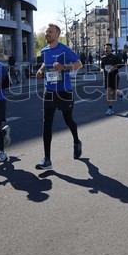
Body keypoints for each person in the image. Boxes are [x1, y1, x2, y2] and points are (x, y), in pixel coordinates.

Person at [35, 24, 83, 170]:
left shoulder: (64, 49)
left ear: (57, 34)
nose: (46, 34)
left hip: (64, 91)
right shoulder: (44, 51)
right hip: (49, 91)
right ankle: (47, 159)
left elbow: (79, 64)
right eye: (46, 32)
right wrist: (41, 70)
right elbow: (45, 63)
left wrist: (64, 67)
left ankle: (76, 141)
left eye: (50, 32)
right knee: (46, 124)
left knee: (68, 120)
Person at [100, 43, 125, 116]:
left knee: (114, 91)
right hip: (107, 78)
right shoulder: (103, 58)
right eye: (105, 48)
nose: (107, 49)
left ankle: (121, 95)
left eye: (108, 48)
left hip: (114, 77)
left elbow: (121, 64)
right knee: (107, 93)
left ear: (111, 49)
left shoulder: (115, 57)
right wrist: (101, 70)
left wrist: (114, 68)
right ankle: (110, 109)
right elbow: (102, 67)